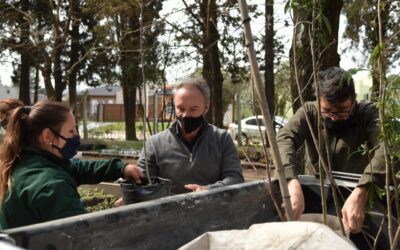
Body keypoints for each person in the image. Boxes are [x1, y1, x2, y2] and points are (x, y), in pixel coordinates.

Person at [276, 67, 387, 233]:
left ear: (354, 100)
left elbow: (388, 148)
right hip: (316, 196)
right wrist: (291, 181)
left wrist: (362, 191)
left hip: (356, 196)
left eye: (343, 111)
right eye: (327, 111)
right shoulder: (309, 112)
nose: (334, 117)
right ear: (318, 100)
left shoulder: (369, 114)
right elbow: (284, 139)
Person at [0, 101, 142, 229]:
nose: (76, 136)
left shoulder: (24, 161)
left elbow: (77, 168)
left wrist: (121, 168)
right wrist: (118, 211)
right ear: (48, 136)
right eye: (71, 131)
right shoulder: (52, 185)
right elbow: (84, 236)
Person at [137, 79, 244, 194]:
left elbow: (235, 179)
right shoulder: (154, 144)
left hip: (210, 208)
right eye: (181, 109)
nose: (186, 115)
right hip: (169, 210)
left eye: (193, 109)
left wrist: (208, 190)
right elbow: (141, 182)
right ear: (174, 107)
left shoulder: (222, 140)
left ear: (206, 108)